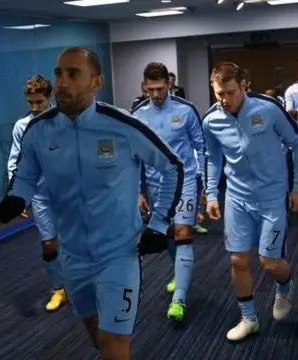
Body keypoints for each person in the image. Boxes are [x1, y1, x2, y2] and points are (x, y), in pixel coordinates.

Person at [0, 46, 184, 359]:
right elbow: (26, 175)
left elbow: (172, 167)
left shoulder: (121, 125)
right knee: (93, 328)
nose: (62, 83)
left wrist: (159, 223)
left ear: (96, 83)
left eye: (73, 74)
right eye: (59, 73)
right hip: (71, 255)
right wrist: (16, 197)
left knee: (114, 341)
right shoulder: (38, 131)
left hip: (119, 253)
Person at [203, 62, 298, 341]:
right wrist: (212, 194)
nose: (224, 100)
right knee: (238, 260)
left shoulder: (268, 108)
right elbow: (212, 158)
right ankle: (249, 318)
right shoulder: (211, 120)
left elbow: (297, 143)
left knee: (269, 262)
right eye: (219, 94)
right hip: (237, 198)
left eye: (230, 92)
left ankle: (284, 286)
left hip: (273, 196)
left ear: (244, 86)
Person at [132, 62, 204, 323]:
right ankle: (178, 272)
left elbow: (200, 146)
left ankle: (179, 300)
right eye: (150, 89)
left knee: (183, 231)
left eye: (160, 89)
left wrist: (205, 185)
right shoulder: (138, 114)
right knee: (170, 235)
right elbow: (135, 158)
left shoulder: (186, 110)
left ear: (169, 84)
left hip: (184, 181)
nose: (156, 95)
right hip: (154, 185)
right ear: (144, 87)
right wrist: (138, 191)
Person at [6, 75, 66, 312]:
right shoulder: (22, 126)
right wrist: (17, 197)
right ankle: (58, 288)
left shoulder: (65, 120)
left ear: (49, 97)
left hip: (69, 193)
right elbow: (15, 163)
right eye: (30, 103)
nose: (34, 108)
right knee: (49, 244)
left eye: (39, 102)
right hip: (41, 195)